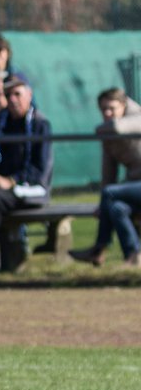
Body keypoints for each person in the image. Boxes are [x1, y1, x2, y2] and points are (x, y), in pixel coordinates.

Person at [0, 72, 53, 272]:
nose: (12, 100)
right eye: (8, 95)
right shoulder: (0, 121)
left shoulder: (40, 124)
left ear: (29, 94)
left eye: (17, 94)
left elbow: (39, 170)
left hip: (29, 190)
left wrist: (10, 181)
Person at [70, 87, 141, 267]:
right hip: (135, 187)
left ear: (124, 105)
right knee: (117, 208)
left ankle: (99, 249)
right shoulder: (107, 133)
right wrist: (103, 206)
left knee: (109, 193)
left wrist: (101, 129)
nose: (107, 113)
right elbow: (109, 172)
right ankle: (134, 256)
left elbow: (118, 126)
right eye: (103, 109)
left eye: (112, 108)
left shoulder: (137, 116)